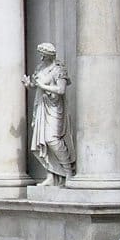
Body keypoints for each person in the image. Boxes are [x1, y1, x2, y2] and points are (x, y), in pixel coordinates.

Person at [22, 42, 76, 186]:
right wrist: (29, 84)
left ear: (48, 54)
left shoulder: (59, 70)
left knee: (52, 139)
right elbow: (35, 84)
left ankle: (68, 171)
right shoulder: (41, 68)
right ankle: (51, 176)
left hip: (55, 107)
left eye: (42, 54)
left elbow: (61, 90)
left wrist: (43, 86)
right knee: (43, 141)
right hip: (41, 105)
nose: (40, 57)